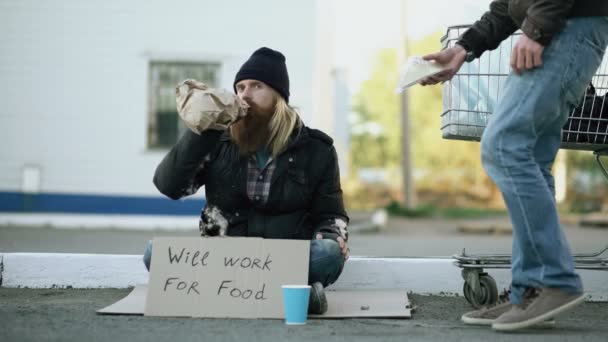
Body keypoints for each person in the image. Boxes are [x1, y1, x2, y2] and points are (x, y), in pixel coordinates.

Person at [420, 0, 608, 332]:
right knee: (530, 155)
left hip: (566, 29)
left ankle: (555, 279)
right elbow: (509, 5)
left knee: (503, 144)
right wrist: (464, 47)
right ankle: (531, 291)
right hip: (563, 27)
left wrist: (535, 30)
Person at [145, 47, 350, 315]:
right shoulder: (217, 140)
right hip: (224, 257)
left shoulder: (316, 149)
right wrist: (202, 129)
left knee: (329, 255)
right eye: (240, 87)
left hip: (284, 257)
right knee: (154, 254)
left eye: (256, 86)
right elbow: (168, 186)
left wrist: (334, 237)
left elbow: (331, 214)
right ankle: (293, 295)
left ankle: (223, 292)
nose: (245, 94)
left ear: (279, 96)